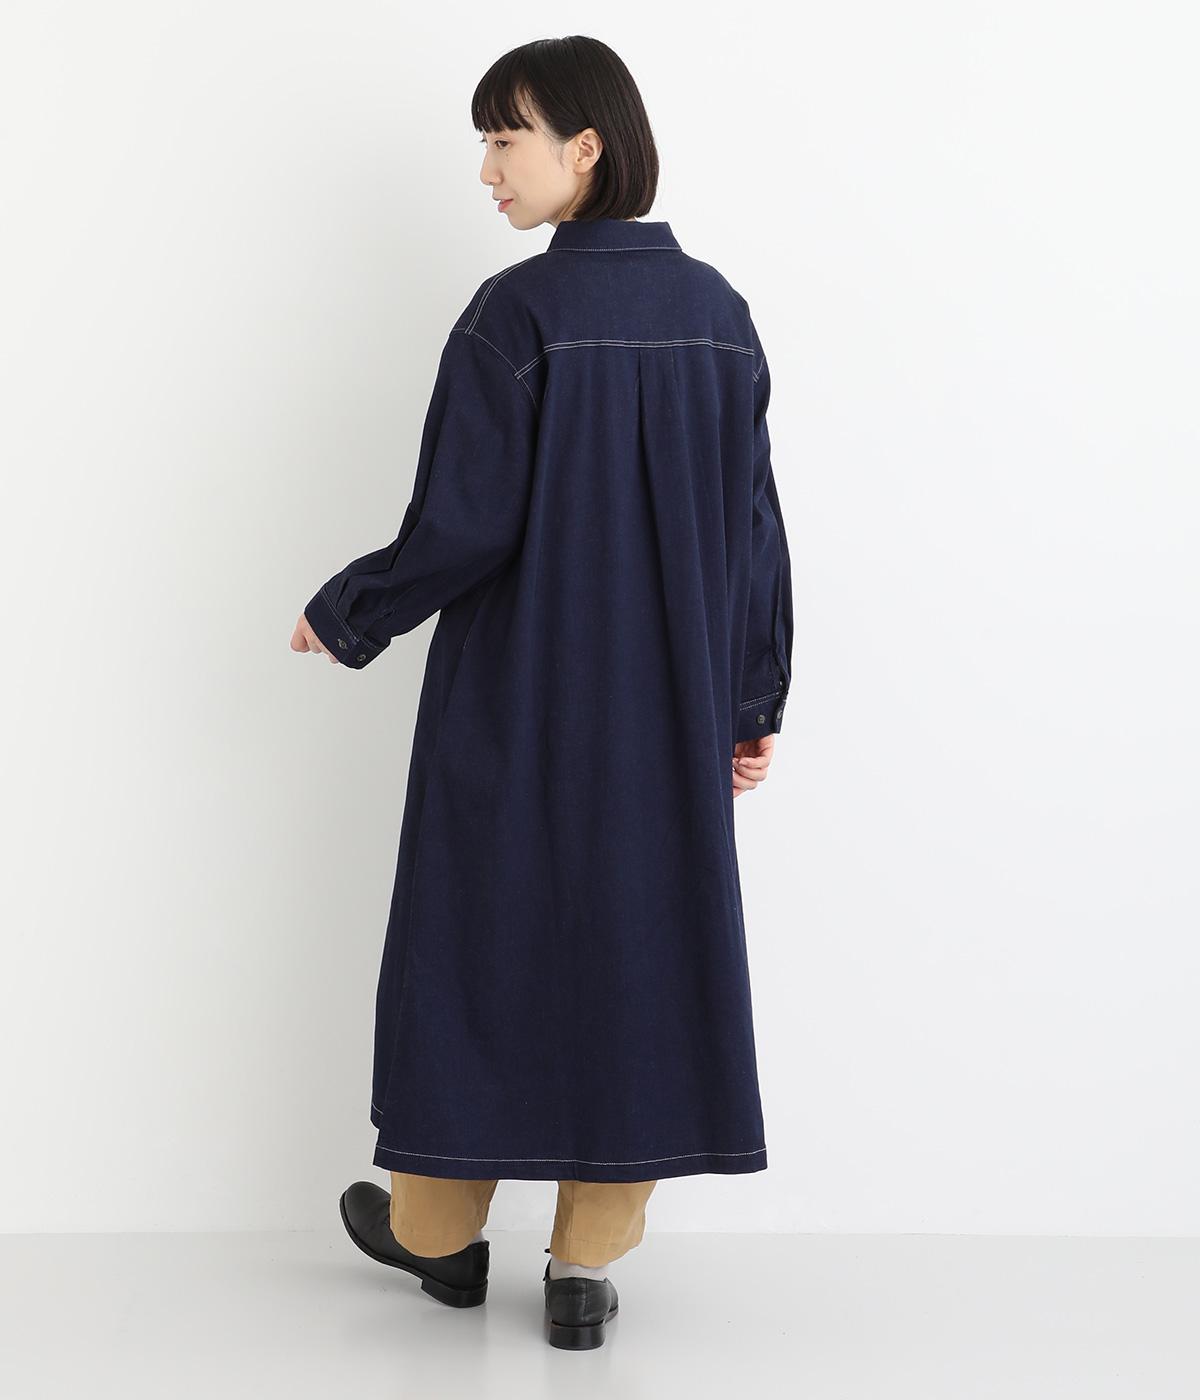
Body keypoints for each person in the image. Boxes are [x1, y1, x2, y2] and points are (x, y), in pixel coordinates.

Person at [292, 35, 792, 1350]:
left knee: (474, 946)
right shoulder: (721, 316)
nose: (487, 169)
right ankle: (583, 1269)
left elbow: (463, 525)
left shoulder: (514, 317)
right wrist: (750, 703)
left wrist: (348, 610)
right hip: (668, 716)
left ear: (588, 145)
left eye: (505, 138)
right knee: (640, 949)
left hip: (514, 702)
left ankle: (437, 1239)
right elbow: (754, 532)